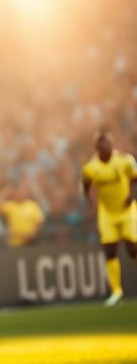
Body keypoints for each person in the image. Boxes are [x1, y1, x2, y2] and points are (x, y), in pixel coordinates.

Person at [82, 130, 137, 307]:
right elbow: (86, 184)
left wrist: (132, 195)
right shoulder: (91, 168)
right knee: (109, 251)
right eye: (101, 144)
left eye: (107, 143)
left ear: (112, 144)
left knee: (132, 248)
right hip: (106, 213)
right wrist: (91, 202)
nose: (105, 147)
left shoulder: (125, 160)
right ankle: (116, 292)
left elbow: (134, 179)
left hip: (126, 211)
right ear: (96, 147)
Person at [0, 180, 45, 247]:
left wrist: (33, 233)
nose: (20, 193)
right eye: (17, 191)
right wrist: (5, 191)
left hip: (30, 243)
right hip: (14, 243)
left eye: (22, 191)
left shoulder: (33, 205)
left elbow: (39, 221)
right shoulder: (10, 205)